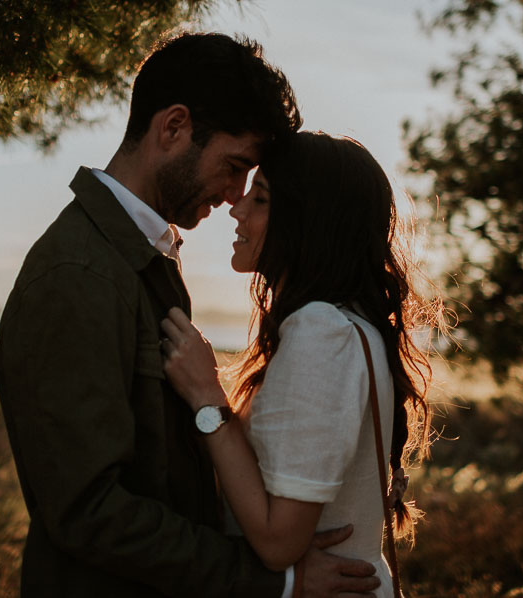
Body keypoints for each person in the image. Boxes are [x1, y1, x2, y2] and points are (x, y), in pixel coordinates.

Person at [0, 33, 384, 598]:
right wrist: (269, 577)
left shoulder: (144, 261)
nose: (234, 196)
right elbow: (88, 510)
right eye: (234, 166)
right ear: (173, 127)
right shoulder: (79, 275)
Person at [159, 132, 435, 598]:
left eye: (261, 198)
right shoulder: (349, 326)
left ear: (309, 220)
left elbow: (277, 541)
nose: (237, 208)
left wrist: (208, 400)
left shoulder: (320, 333)